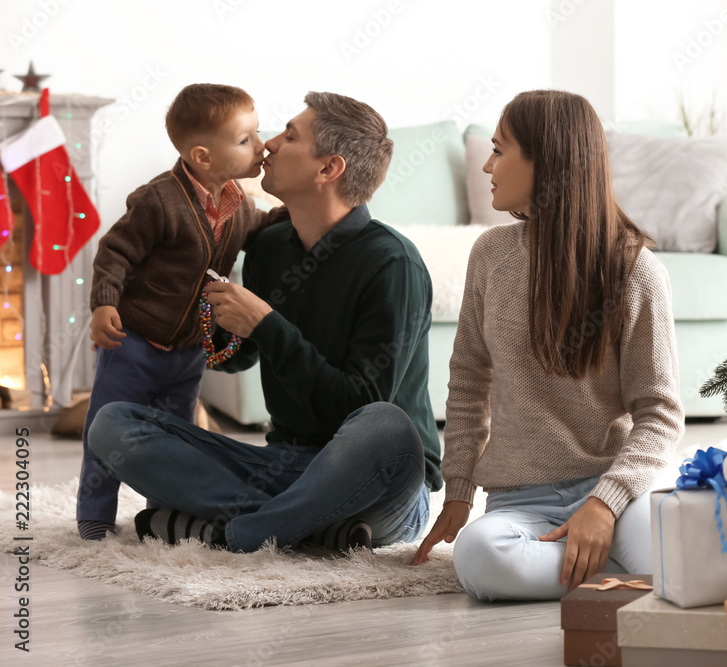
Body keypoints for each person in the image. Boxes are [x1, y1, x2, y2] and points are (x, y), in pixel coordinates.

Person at [87, 91, 441, 555]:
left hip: (375, 481)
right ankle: (307, 528)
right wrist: (185, 319)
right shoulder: (271, 246)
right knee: (113, 424)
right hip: (284, 466)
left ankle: (238, 530)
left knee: (386, 425)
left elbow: (356, 407)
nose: (269, 145)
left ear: (328, 169)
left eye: (289, 135)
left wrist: (268, 325)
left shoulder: (392, 264)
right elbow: (240, 356)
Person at [411, 90, 684, 600]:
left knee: (673, 545)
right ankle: (621, 579)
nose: (488, 165)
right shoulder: (491, 255)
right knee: (480, 556)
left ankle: (607, 561)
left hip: (614, 491)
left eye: (499, 149)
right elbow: (469, 381)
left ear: (547, 160)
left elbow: (660, 414)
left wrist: (603, 507)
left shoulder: (636, 270)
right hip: (522, 504)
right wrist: (460, 492)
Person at [78, 83, 267, 541]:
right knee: (107, 431)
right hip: (134, 345)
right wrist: (104, 302)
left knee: (174, 441)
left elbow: (266, 225)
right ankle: (95, 515)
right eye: (246, 141)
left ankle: (161, 515)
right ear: (202, 156)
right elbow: (114, 252)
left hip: (187, 353)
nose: (261, 147)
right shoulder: (159, 200)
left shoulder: (240, 207)